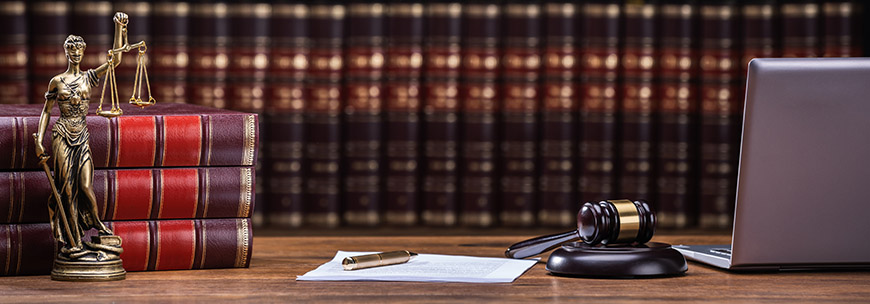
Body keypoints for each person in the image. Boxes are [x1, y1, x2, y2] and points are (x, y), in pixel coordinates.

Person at [33, 12, 128, 256]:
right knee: (66, 189)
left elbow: (114, 62)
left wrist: (119, 27)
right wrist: (39, 140)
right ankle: (73, 241)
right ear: (66, 53)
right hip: (63, 135)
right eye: (71, 51)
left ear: (83, 53)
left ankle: (97, 225)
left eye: (79, 51)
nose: (75, 54)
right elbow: (46, 111)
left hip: (82, 136)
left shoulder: (88, 78)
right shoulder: (57, 81)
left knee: (85, 187)